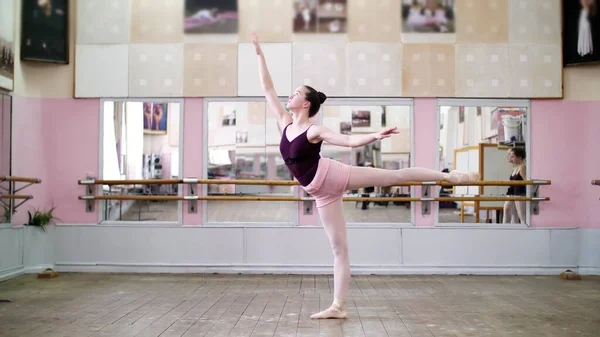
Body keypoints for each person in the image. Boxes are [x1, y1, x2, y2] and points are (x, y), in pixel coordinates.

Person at [251, 33, 479, 319]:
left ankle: (450, 177)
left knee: (393, 177)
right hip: (320, 193)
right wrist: (259, 54)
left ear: (307, 104)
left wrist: (375, 135)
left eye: (297, 93)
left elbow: (347, 142)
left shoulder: (314, 130)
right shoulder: (285, 123)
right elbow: (267, 88)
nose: (290, 95)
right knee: (339, 248)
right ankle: (339, 307)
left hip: (332, 176)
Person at [503, 147, 526, 224]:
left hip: (520, 194)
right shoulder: (515, 168)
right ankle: (506, 230)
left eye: (513, 156)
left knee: (521, 216)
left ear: (519, 157)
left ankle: (525, 230)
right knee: (509, 212)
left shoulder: (522, 168)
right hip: (512, 194)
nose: (510, 158)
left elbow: (527, 182)